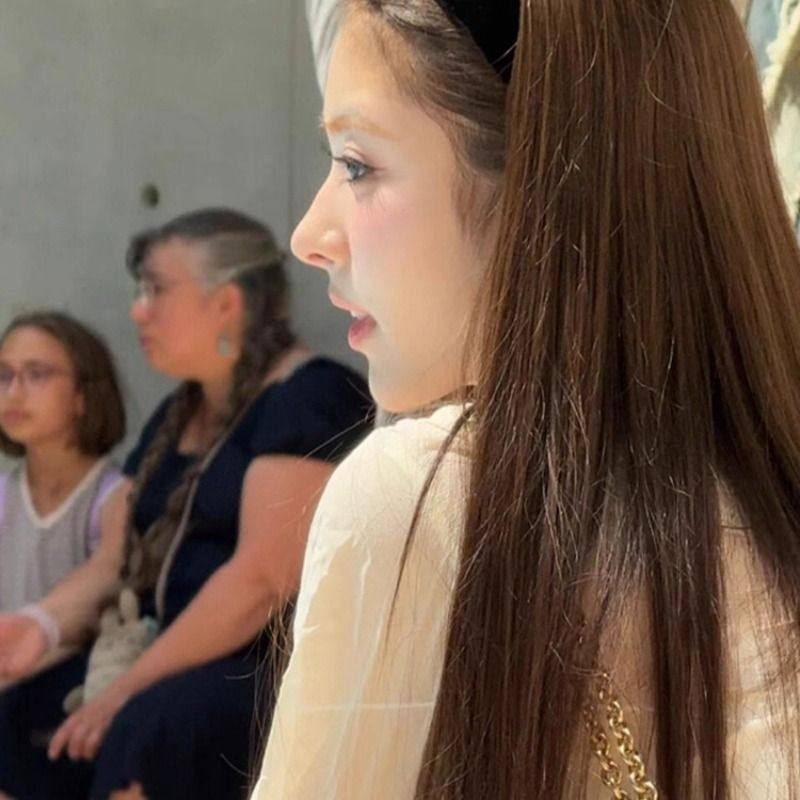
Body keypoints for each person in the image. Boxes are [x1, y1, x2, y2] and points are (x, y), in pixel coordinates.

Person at [252, 1, 800, 798]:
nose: (309, 234)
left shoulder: (419, 499)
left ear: (536, 186)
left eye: (357, 165)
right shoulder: (765, 495)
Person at [0, 208, 373, 800]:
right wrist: (40, 628)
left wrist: (123, 691)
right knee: (14, 720)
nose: (137, 311)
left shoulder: (311, 398)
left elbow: (259, 582)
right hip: (163, 658)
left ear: (226, 303)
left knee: (150, 731)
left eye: (156, 290)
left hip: (258, 671)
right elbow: (118, 559)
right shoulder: (178, 412)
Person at [0, 312, 124, 614]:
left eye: (36, 374)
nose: (13, 393)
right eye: (3, 376)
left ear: (83, 395)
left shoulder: (115, 499)